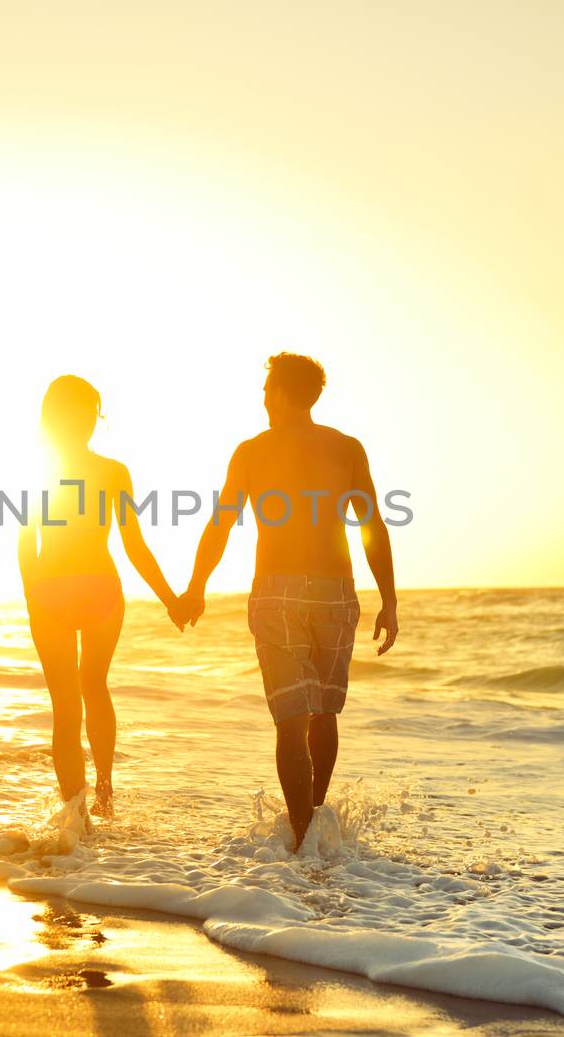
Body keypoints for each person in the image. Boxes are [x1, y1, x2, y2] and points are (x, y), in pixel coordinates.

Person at [176, 353, 399, 851]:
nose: (263, 400)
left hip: (277, 591)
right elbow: (372, 527)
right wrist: (389, 600)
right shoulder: (346, 448)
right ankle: (316, 830)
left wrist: (196, 587)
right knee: (324, 714)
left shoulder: (253, 452)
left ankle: (300, 843)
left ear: (277, 393)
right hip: (336, 591)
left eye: (265, 391)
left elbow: (220, 523)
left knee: (291, 721)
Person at [19, 375, 186, 818]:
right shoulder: (113, 472)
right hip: (100, 588)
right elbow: (134, 545)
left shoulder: (39, 470)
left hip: (51, 588)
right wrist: (171, 598)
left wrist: (31, 597)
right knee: (93, 686)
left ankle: (76, 818)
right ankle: (105, 793)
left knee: (66, 703)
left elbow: (26, 542)